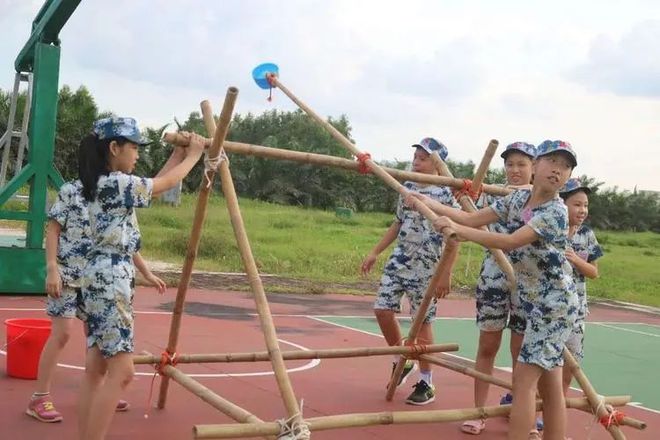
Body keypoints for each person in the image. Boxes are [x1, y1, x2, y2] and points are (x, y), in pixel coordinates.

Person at [409, 140, 579, 440]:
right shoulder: (517, 202)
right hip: (533, 303)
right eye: (552, 161)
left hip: (553, 306)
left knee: (524, 382)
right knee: (550, 387)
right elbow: (471, 218)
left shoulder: (556, 212)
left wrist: (460, 232)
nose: (557, 170)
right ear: (536, 165)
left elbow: (511, 241)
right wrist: (424, 203)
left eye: (565, 166)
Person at [76, 117, 205, 440]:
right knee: (122, 372)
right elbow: (161, 185)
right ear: (114, 148)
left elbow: (154, 187)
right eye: (133, 147)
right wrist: (193, 156)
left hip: (98, 276)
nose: (137, 154)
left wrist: (177, 154)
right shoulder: (116, 183)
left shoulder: (104, 183)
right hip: (109, 278)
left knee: (96, 370)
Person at [26, 158, 167, 423]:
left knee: (98, 340)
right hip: (68, 274)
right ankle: (39, 397)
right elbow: (53, 230)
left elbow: (128, 241)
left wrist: (146, 272)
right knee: (62, 334)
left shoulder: (119, 192)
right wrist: (52, 268)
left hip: (98, 281)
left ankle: (101, 393)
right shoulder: (72, 190)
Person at [360, 137, 460, 406]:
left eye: (424, 158)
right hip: (400, 260)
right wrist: (375, 252)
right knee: (382, 309)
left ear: (438, 164)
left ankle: (426, 382)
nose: (416, 161)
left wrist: (445, 273)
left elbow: (456, 237)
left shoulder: (448, 194)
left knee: (423, 323)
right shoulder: (407, 188)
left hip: (429, 266)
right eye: (416, 156)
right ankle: (400, 358)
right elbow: (397, 223)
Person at [460, 141, 536, 435]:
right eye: (510, 164)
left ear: (534, 167)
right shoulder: (491, 195)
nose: (515, 170)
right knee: (488, 345)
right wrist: (465, 198)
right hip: (493, 279)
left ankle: (521, 413)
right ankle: (479, 411)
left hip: (527, 282)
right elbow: (468, 222)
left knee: (522, 351)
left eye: (521, 164)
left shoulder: (541, 199)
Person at [559, 178, 603, 395]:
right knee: (545, 365)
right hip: (551, 309)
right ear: (561, 203)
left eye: (585, 205)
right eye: (577, 204)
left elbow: (594, 272)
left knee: (571, 363)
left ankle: (554, 412)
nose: (582, 210)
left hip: (576, 310)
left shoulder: (587, 235)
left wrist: (576, 260)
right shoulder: (550, 228)